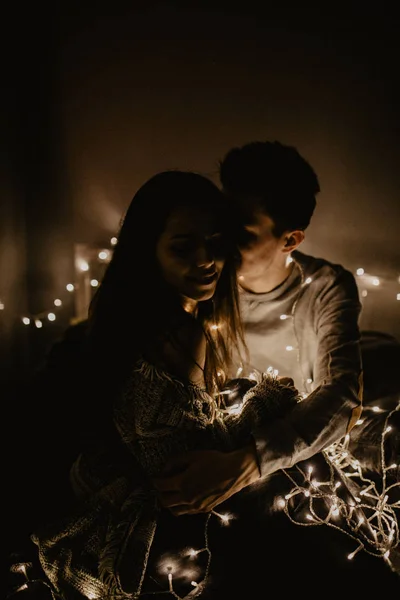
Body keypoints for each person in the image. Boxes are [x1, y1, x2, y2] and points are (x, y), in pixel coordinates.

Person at [27, 170, 304, 599]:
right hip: (163, 517)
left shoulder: (126, 311)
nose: (206, 259)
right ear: (148, 250)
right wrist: (261, 407)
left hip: (131, 486)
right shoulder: (179, 332)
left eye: (215, 242)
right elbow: (185, 467)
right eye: (182, 247)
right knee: (293, 479)